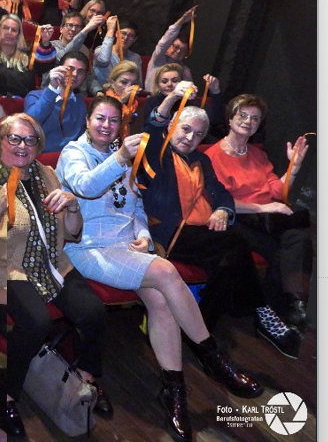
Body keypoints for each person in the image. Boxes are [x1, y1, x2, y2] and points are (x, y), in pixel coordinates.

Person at [59, 96, 261, 440]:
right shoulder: (73, 152)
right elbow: (86, 186)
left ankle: (174, 391)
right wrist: (121, 158)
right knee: (167, 272)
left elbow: (136, 206)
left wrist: (143, 236)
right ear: (88, 120)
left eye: (113, 121)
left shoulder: (123, 154)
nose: (106, 126)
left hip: (127, 246)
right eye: (100, 119)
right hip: (90, 247)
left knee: (162, 302)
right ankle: (213, 358)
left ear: (120, 125)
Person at [0, 114, 103, 439]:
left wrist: (73, 207)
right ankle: (5, 401)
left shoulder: (46, 174)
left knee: (93, 311)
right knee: (36, 321)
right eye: (14, 138)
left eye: (30, 140)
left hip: (50, 264)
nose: (23, 146)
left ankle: (83, 387)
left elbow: (72, 235)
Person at [137, 103, 302, 358]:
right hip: (167, 234)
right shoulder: (157, 154)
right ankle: (260, 314)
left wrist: (223, 210)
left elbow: (221, 194)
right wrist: (172, 100)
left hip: (201, 232)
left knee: (230, 263)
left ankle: (200, 329)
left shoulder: (201, 159)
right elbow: (152, 127)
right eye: (185, 129)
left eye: (198, 135)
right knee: (236, 243)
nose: (190, 138)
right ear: (171, 126)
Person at [203, 95, 314, 328]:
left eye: (255, 118)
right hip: (238, 218)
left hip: (266, 218)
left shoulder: (257, 154)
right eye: (243, 115)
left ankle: (294, 304)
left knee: (299, 239)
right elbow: (219, 201)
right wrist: (262, 207)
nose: (248, 121)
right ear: (230, 119)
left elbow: (276, 190)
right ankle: (271, 312)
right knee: (278, 252)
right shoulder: (212, 156)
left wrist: (294, 167)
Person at [24, 51, 91, 152]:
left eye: (80, 72)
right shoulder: (35, 96)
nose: (74, 74)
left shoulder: (80, 104)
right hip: (40, 156)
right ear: (59, 70)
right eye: (70, 69)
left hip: (70, 157)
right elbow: (28, 124)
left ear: (84, 78)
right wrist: (52, 89)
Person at [0, 14, 51, 99]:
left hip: (24, 103)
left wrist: (45, 42)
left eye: (14, 30)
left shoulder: (29, 58)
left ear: (19, 35)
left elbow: (44, 67)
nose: (9, 32)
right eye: (5, 28)